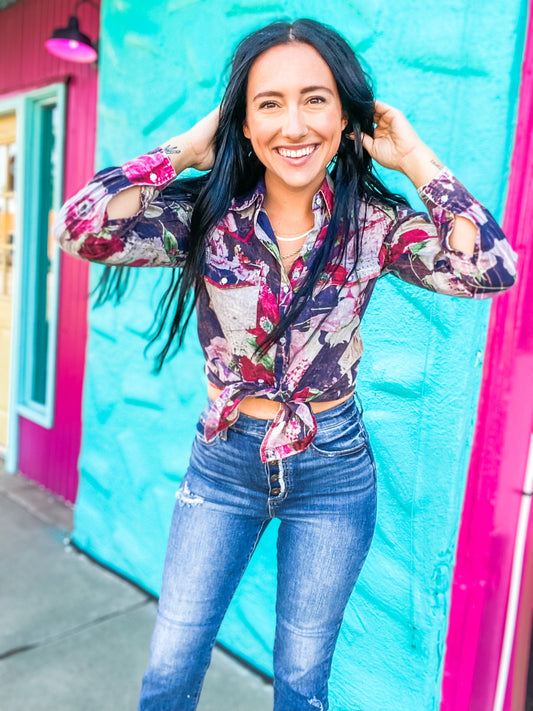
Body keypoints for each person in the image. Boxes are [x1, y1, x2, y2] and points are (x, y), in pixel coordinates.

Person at [53, 18, 517, 711]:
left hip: (333, 468)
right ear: (241, 122)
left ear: (343, 117)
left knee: (302, 682)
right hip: (222, 464)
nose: (293, 124)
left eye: (315, 99)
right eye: (268, 103)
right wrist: (185, 148)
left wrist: (414, 155)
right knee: (170, 668)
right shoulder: (204, 217)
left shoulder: (374, 225)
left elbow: (491, 267)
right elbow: (80, 226)